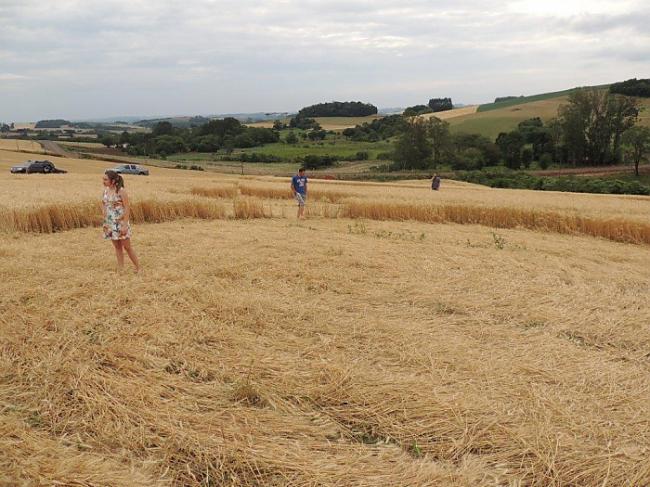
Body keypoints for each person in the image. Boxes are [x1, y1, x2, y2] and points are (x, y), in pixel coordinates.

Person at [102, 170, 140, 273]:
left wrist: (124, 225)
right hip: (110, 223)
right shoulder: (105, 191)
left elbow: (127, 207)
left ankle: (138, 268)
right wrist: (105, 220)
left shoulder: (121, 191)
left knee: (127, 247)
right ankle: (121, 269)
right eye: (103, 179)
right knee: (117, 247)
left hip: (121, 223)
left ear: (113, 181)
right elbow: (104, 204)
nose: (103, 181)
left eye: (105, 179)